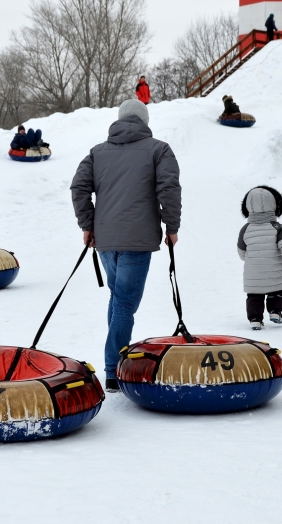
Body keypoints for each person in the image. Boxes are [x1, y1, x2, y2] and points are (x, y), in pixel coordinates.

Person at [71, 100, 182, 392]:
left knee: (118, 298)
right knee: (124, 303)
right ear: (144, 121)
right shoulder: (159, 149)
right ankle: (112, 369)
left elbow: (78, 187)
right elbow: (168, 188)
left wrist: (88, 224)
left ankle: (113, 363)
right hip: (137, 239)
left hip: (105, 240)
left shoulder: (97, 152)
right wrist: (172, 227)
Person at [238, 186, 282, 329]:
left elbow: (241, 250)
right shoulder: (277, 227)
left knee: (254, 295)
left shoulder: (246, 229)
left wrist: (249, 259)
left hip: (253, 273)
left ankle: (255, 318)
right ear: (274, 205)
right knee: (276, 291)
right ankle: (275, 312)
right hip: (273, 270)